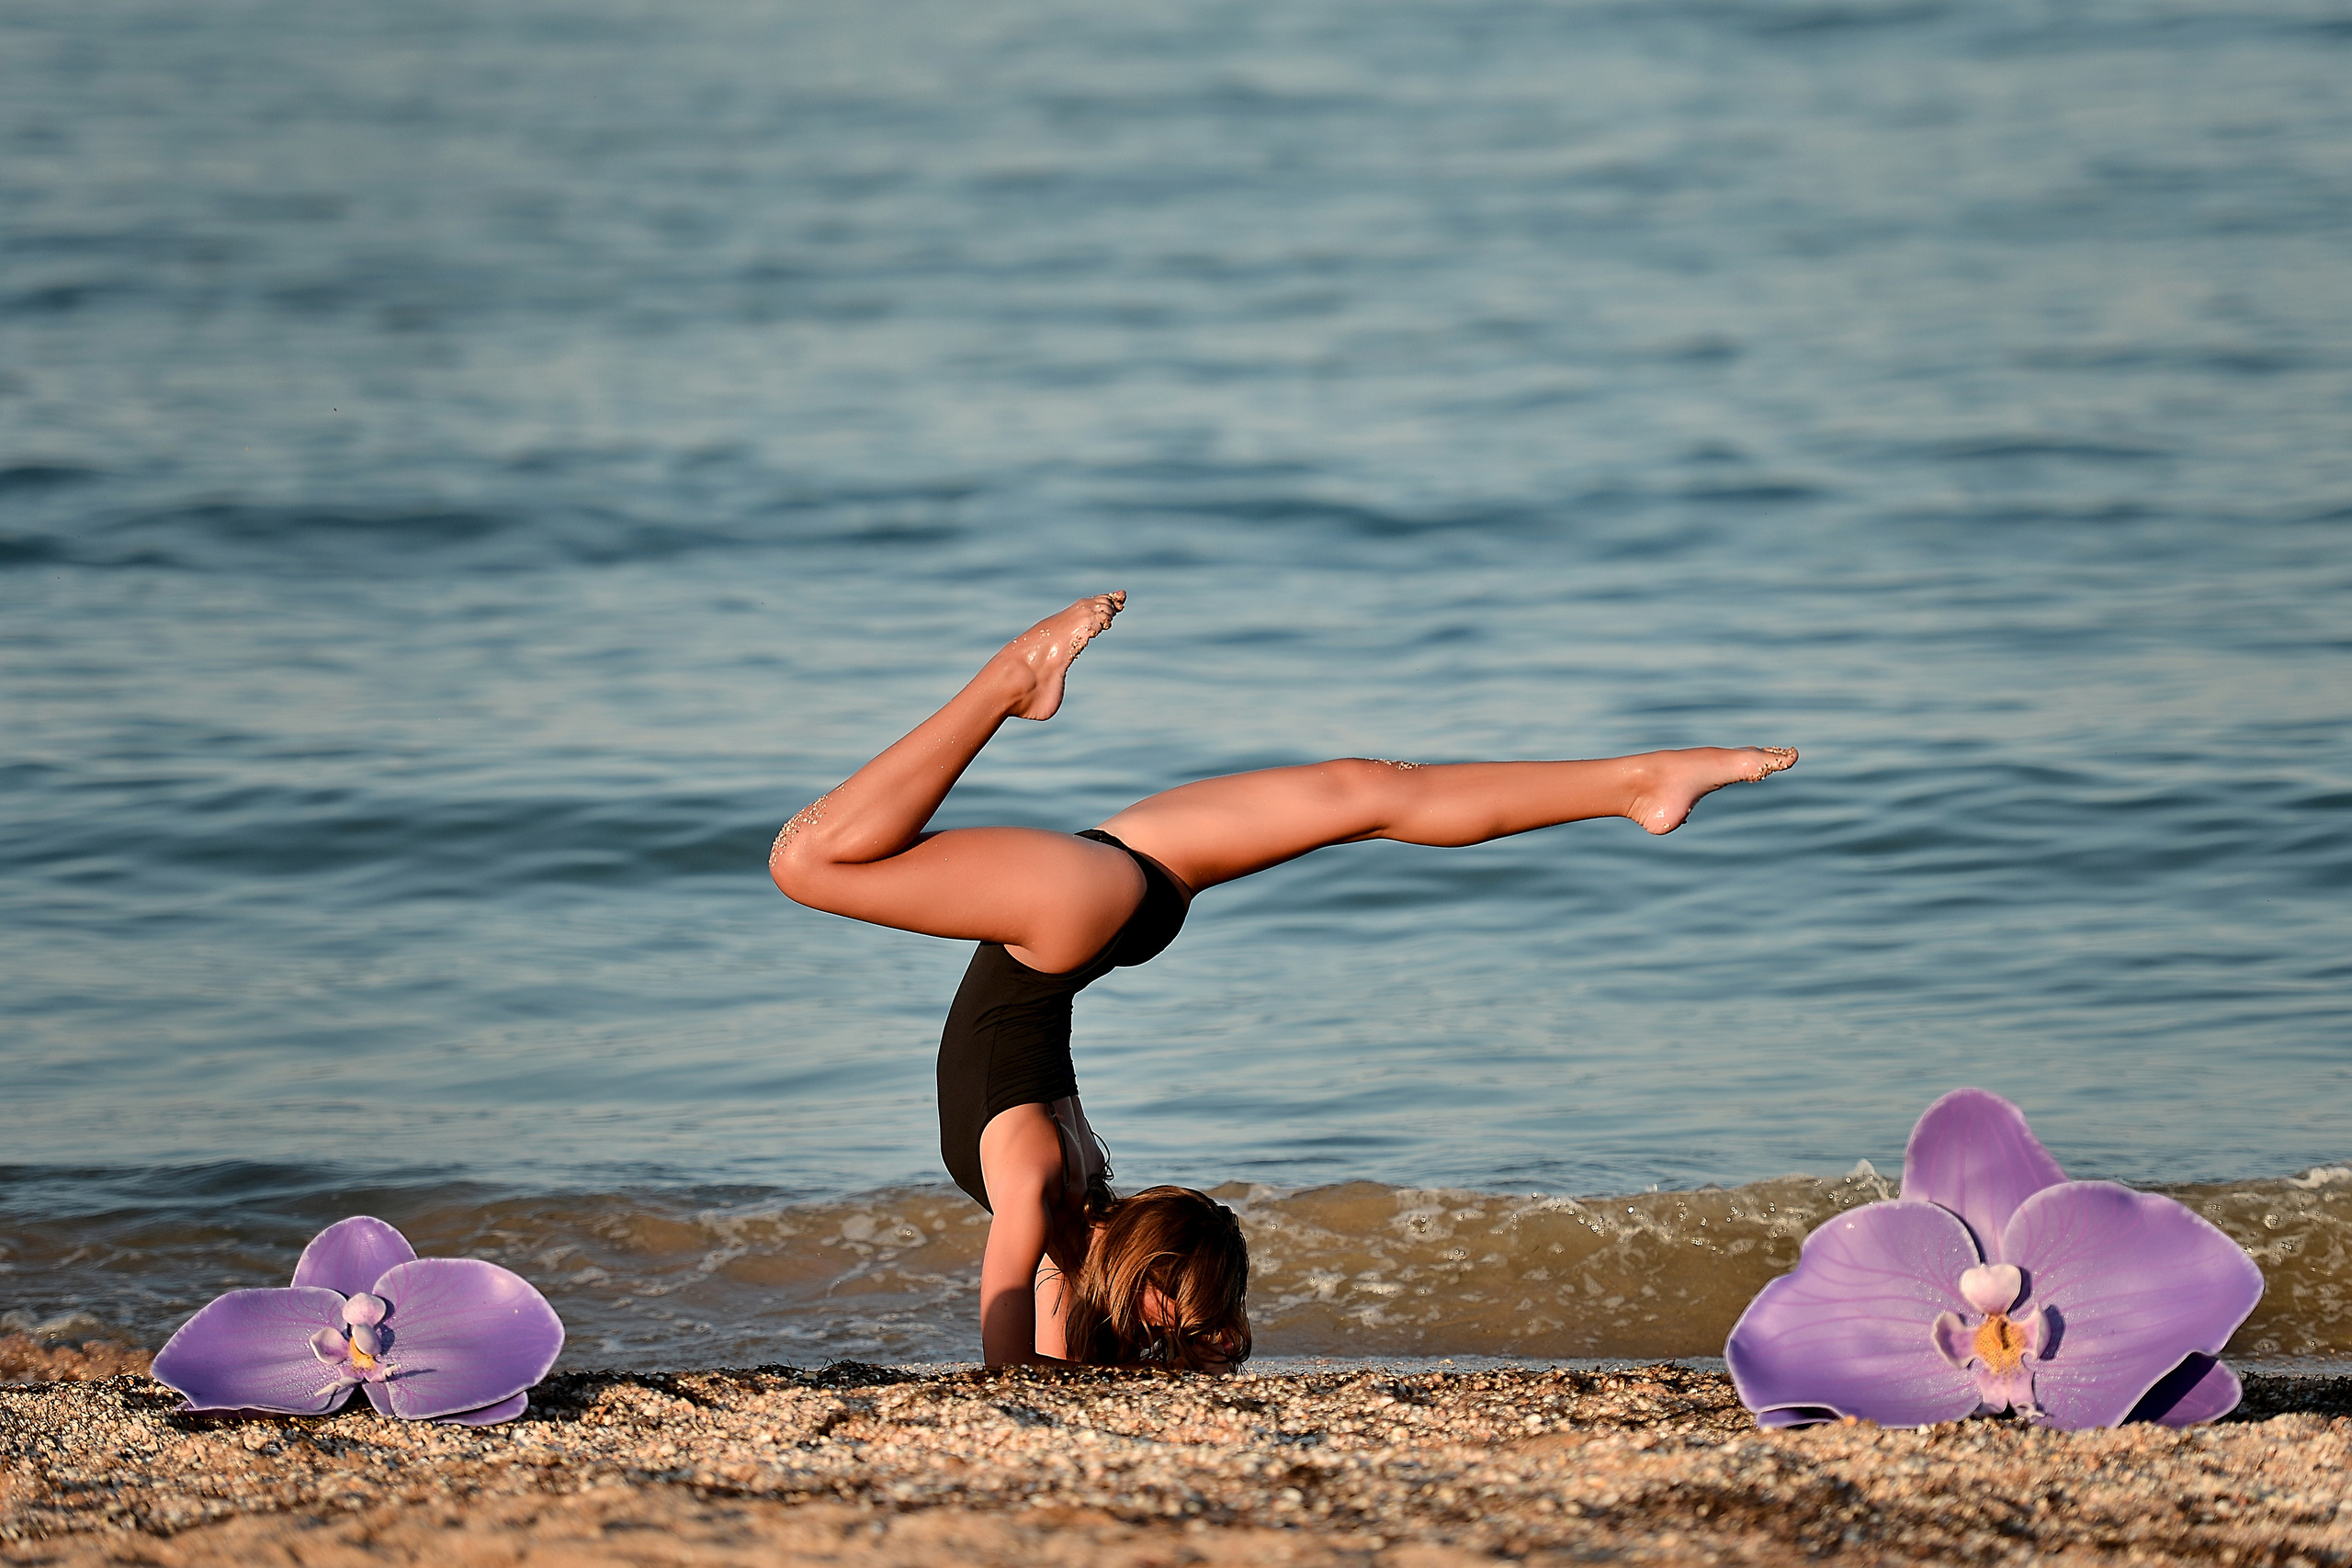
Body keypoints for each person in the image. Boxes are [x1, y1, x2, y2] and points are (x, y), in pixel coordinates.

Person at [768, 592, 1795, 1371]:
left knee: (1365, 793)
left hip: (1094, 908)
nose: (1172, 1328)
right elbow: (1033, 1344)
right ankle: (1638, 781)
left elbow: (1011, 1343)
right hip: (1075, 913)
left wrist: (1058, 1378)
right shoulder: (1054, 1188)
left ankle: (1012, 680)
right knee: (1367, 791)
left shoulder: (1050, 1187)